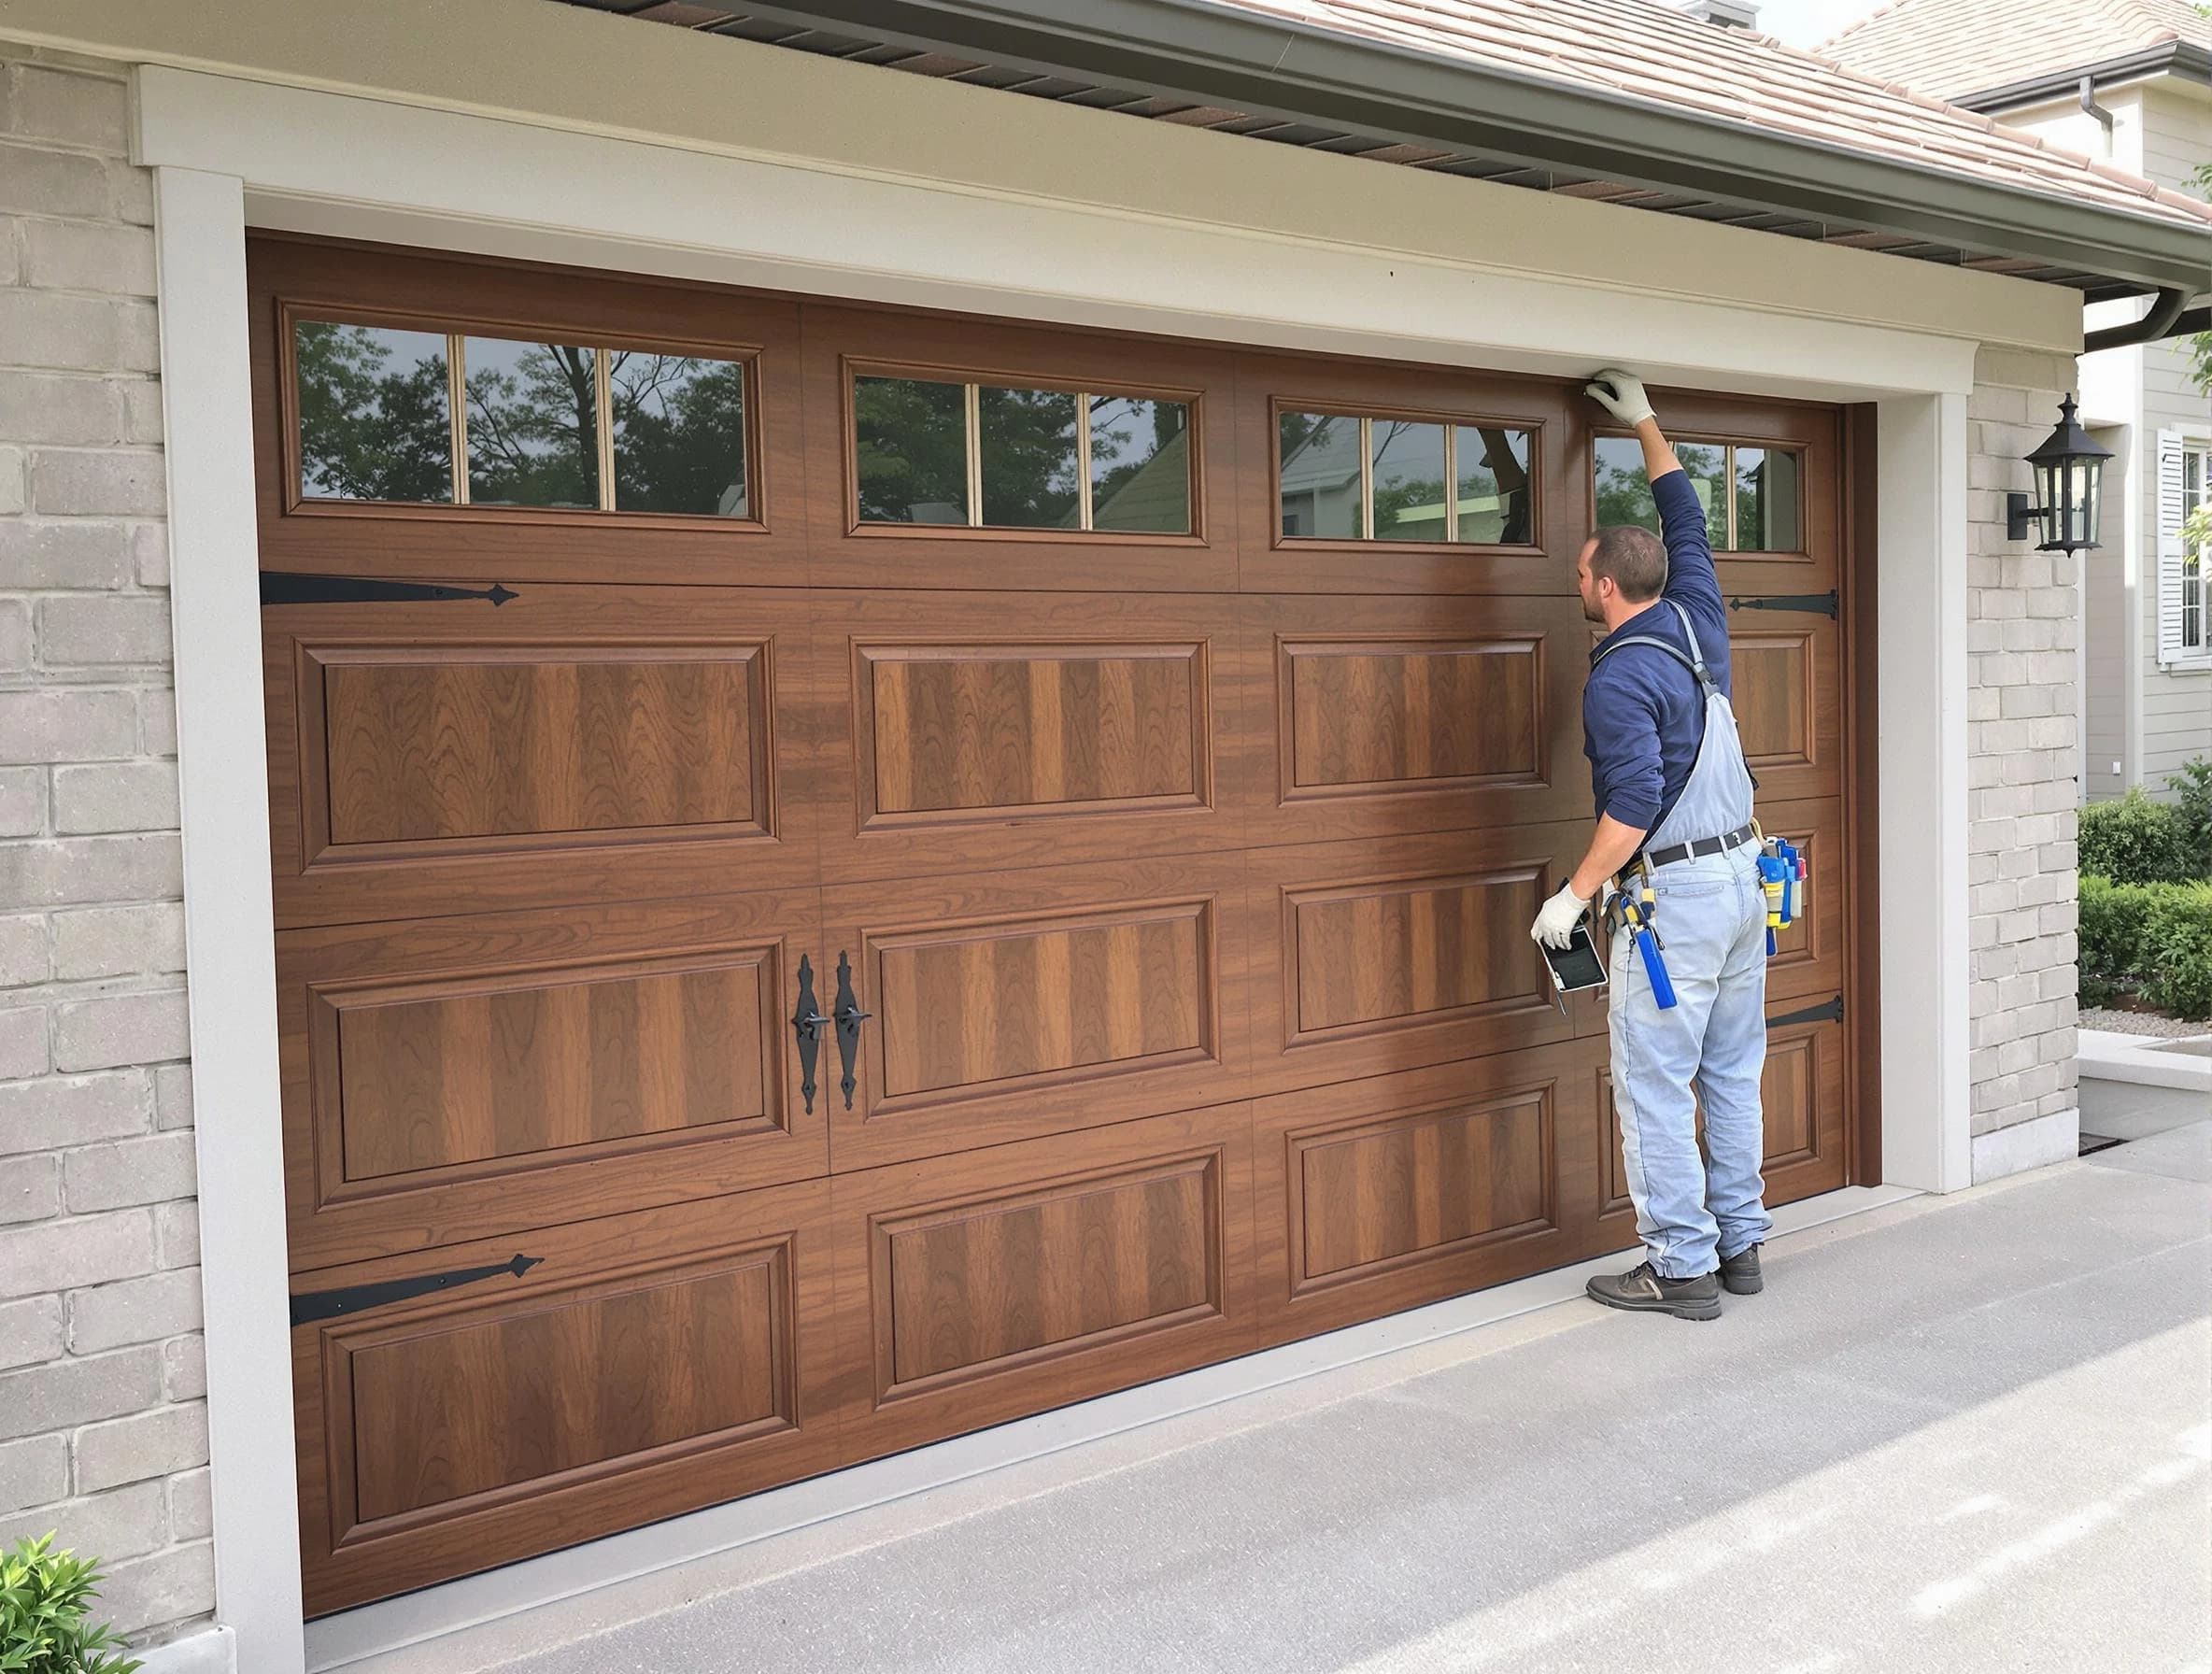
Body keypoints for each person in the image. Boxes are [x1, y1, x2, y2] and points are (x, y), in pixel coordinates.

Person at [1530, 369, 1772, 1322]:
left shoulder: (1619, 678)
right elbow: (1687, 522)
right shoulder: (1697, 616)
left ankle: (1680, 1268)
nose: (1576, 584)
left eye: (1581, 575)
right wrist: (1642, 420)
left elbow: (1631, 806)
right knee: (1731, 1071)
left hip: (1671, 901)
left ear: (1602, 585)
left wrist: (1571, 897)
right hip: (1745, 883)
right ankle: (1741, 1245)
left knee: (1658, 1085)